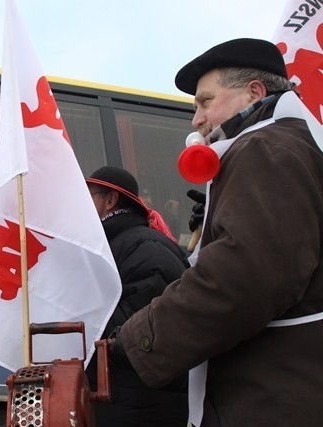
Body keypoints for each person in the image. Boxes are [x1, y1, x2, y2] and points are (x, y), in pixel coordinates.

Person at [110, 38, 323, 427]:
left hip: (269, 401)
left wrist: (137, 339)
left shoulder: (264, 147)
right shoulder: (286, 144)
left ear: (254, 93)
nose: (196, 120)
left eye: (205, 102)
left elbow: (244, 278)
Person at [85, 166, 189, 427]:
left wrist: (80, 314)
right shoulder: (116, 244)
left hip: (141, 403)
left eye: (89, 196)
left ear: (111, 201)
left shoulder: (146, 247)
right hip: (124, 398)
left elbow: (145, 321)